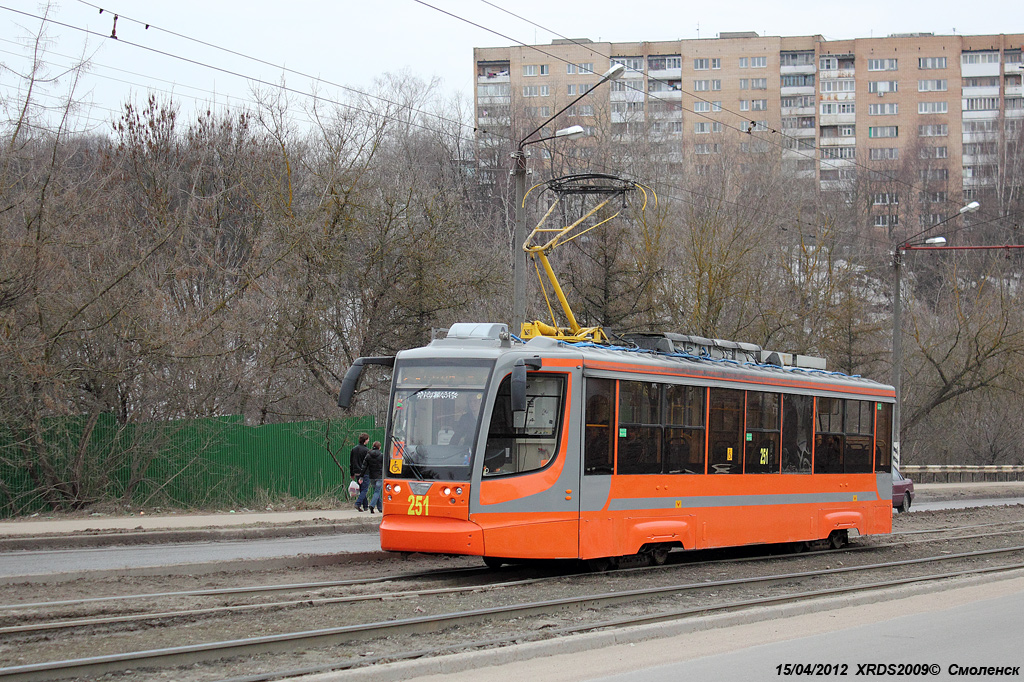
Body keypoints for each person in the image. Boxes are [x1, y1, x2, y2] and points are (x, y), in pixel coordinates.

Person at [349, 432, 370, 512]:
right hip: (364, 472)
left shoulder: (354, 449)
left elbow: (351, 462)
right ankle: (358, 503)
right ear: (365, 440)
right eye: (368, 439)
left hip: (357, 472)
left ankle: (365, 506)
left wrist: (352, 473)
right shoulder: (366, 450)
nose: (368, 441)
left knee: (361, 489)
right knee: (364, 489)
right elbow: (368, 463)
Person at [365, 441, 384, 514]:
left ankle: (380, 508)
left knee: (376, 492)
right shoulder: (381, 455)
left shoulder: (368, 455)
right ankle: (372, 505)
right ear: (379, 447)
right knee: (377, 491)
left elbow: (364, 466)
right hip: (379, 476)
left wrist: (361, 475)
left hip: (371, 476)